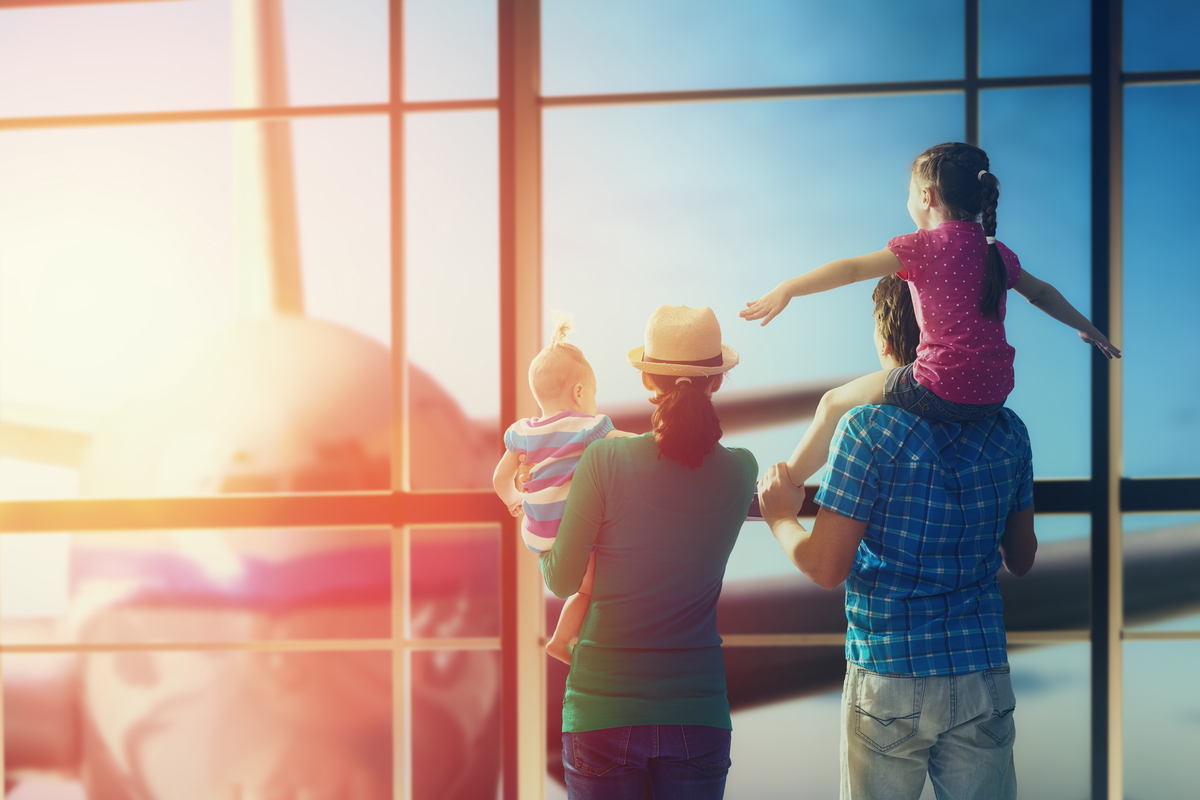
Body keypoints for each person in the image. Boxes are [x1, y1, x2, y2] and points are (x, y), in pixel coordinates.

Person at [757, 275, 1038, 800]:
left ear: (886, 343)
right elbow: (1021, 558)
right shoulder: (1009, 431)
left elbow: (825, 567)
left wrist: (778, 517)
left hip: (889, 672)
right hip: (981, 669)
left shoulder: (865, 429)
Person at [740, 141, 1120, 493]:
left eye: (909, 191)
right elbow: (1041, 294)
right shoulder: (997, 252)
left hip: (942, 386)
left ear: (926, 197)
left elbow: (852, 269)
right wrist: (1088, 330)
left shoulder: (920, 246)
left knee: (833, 404)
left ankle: (783, 484)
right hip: (994, 394)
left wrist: (788, 287)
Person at [540, 305, 757, 799]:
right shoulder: (743, 469)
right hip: (697, 713)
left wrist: (537, 520)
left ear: (646, 379)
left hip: (601, 712)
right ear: (717, 381)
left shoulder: (604, 460)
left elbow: (561, 580)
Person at [493, 317, 634, 665]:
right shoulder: (585, 427)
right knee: (588, 588)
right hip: (567, 529)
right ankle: (560, 640)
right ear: (580, 392)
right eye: (594, 393)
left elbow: (500, 477)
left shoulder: (524, 431)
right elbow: (627, 444)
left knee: (581, 581)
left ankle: (565, 638)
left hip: (537, 528)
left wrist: (513, 499)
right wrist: (658, 441)